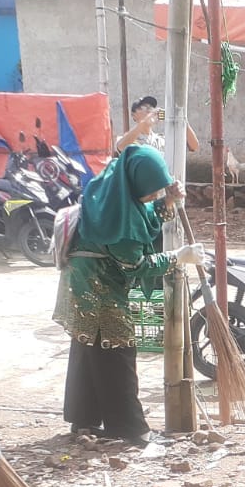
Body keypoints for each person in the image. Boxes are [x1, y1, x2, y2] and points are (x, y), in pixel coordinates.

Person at [54, 144, 202, 444]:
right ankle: (131, 428)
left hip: (79, 283)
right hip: (97, 290)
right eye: (150, 191)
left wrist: (167, 202)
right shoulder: (119, 225)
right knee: (117, 352)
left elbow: (138, 214)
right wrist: (178, 256)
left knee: (88, 350)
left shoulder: (108, 190)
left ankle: (83, 420)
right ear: (135, 182)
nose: (152, 197)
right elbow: (136, 265)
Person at [115, 95, 199, 155]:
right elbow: (121, 146)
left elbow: (194, 146)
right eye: (143, 107)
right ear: (134, 115)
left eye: (151, 107)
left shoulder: (162, 140)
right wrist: (143, 123)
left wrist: (182, 120)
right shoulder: (131, 139)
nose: (149, 109)